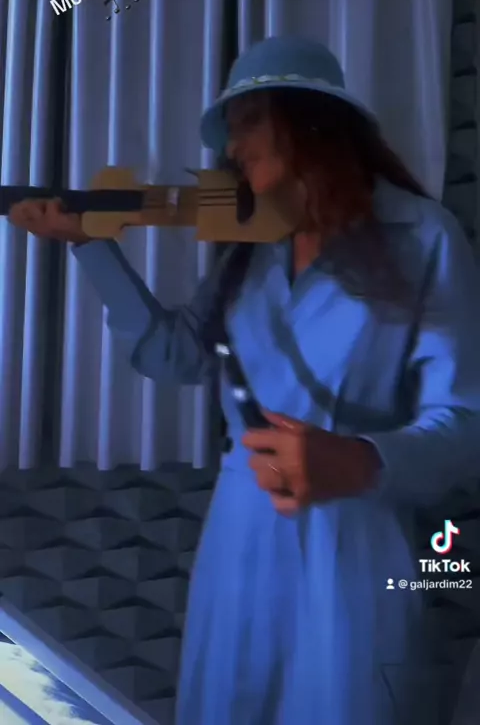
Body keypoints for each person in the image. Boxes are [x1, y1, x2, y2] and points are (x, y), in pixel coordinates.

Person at [9, 36, 480, 725]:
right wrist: (89, 245)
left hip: (358, 535)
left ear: (311, 122)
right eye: (232, 130)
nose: (233, 147)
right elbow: (173, 356)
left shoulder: (424, 234)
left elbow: (467, 420)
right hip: (240, 529)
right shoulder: (249, 247)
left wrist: (362, 460)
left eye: (250, 122)